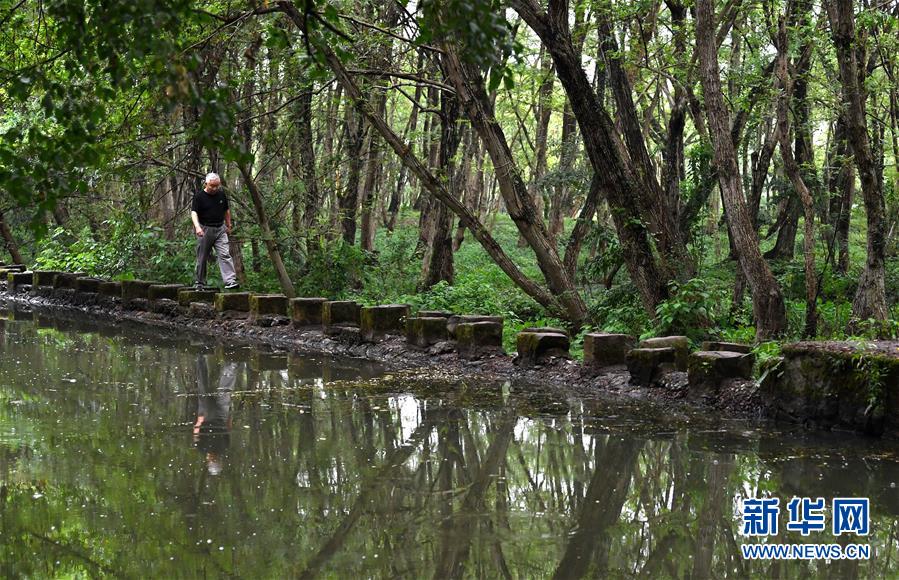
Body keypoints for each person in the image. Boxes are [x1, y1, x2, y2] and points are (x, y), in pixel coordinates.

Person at [191, 172, 239, 290]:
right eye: (212, 186)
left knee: (224, 254)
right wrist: (197, 226)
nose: (214, 188)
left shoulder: (221, 195)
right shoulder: (199, 196)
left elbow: (226, 210)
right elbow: (194, 212)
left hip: (220, 229)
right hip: (205, 229)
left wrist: (228, 224)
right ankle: (200, 282)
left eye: (217, 186)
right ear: (206, 184)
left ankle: (230, 281)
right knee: (202, 256)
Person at [193, 355, 237, 476]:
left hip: (218, 416)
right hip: (208, 416)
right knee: (204, 389)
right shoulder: (203, 448)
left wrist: (228, 415)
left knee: (224, 390)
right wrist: (200, 418)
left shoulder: (222, 447)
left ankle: (231, 363)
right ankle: (201, 359)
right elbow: (196, 431)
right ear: (210, 460)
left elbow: (228, 428)